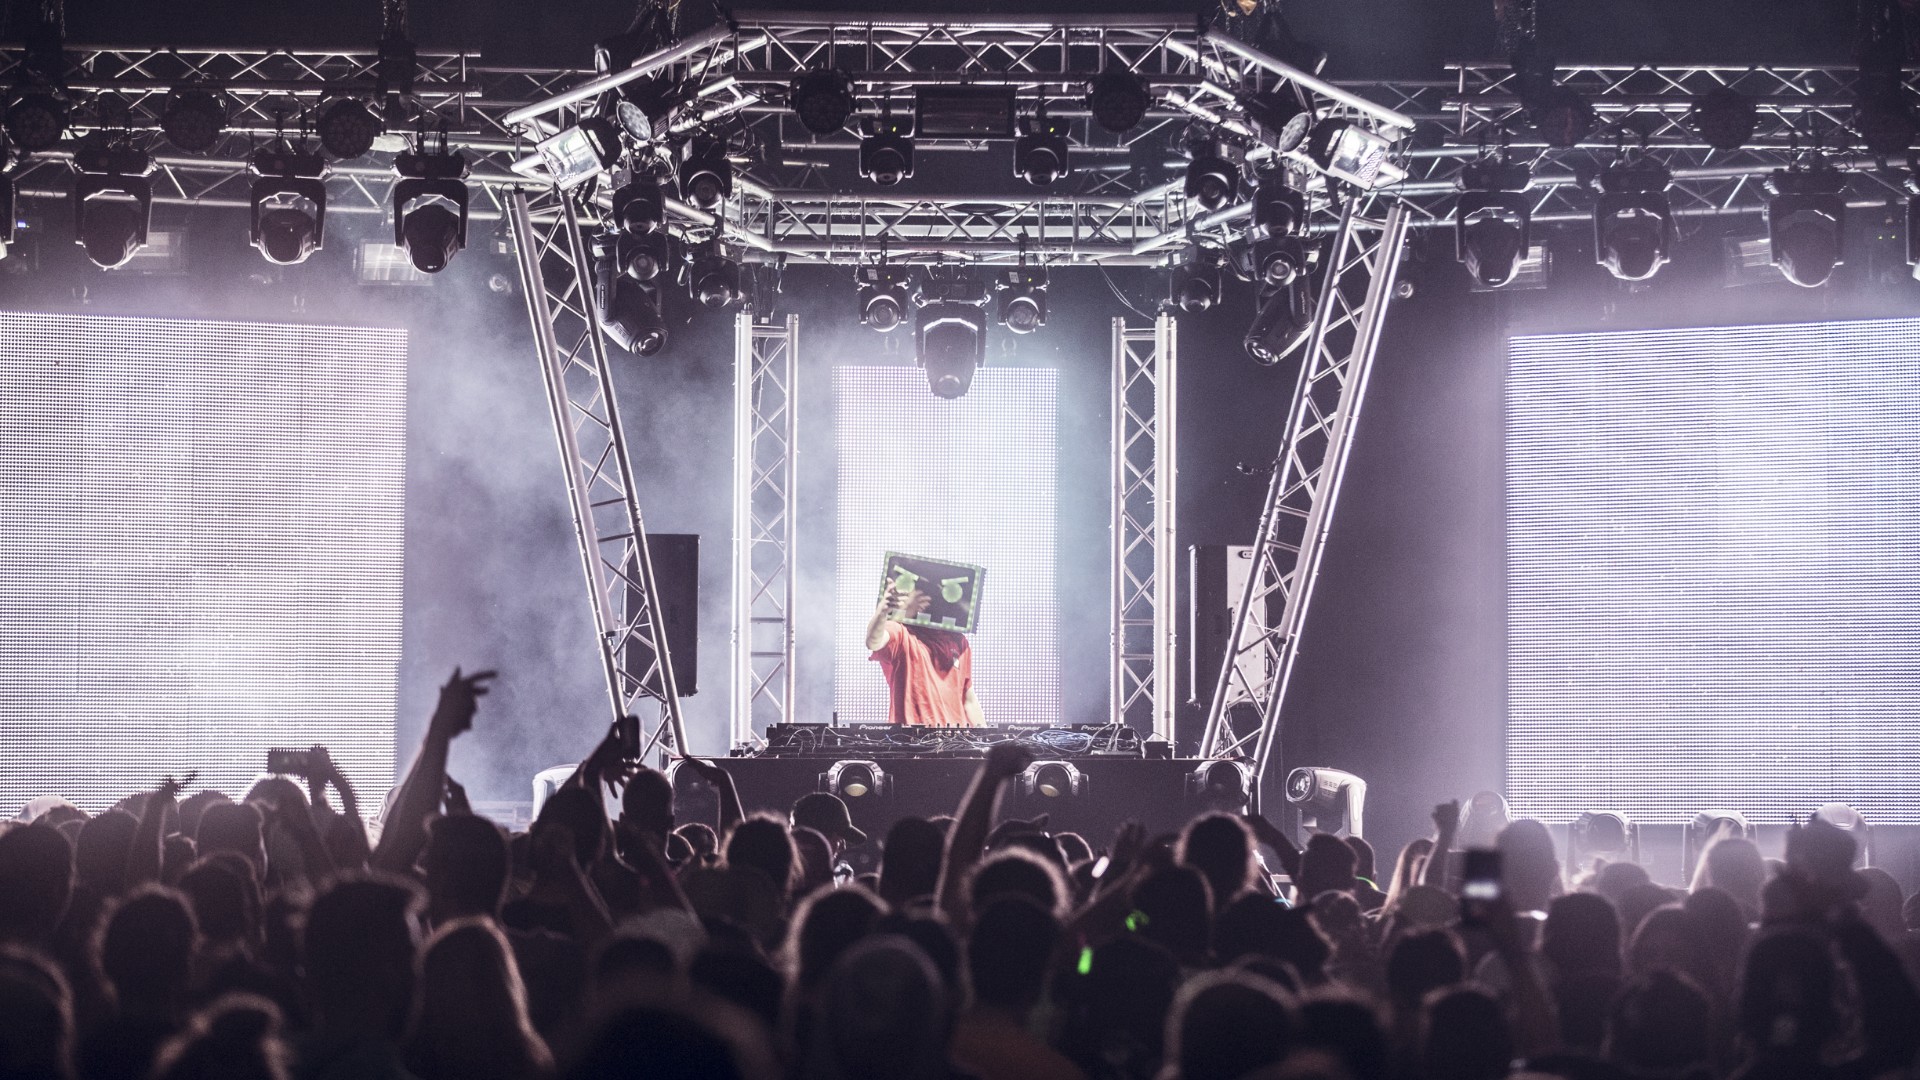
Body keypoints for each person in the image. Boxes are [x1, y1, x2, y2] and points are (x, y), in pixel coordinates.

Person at [864, 582, 983, 727]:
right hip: (912, 742)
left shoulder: (958, 641)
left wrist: (987, 740)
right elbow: (873, 642)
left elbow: (968, 699)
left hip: (955, 741)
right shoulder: (900, 633)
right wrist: (883, 610)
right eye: (920, 595)